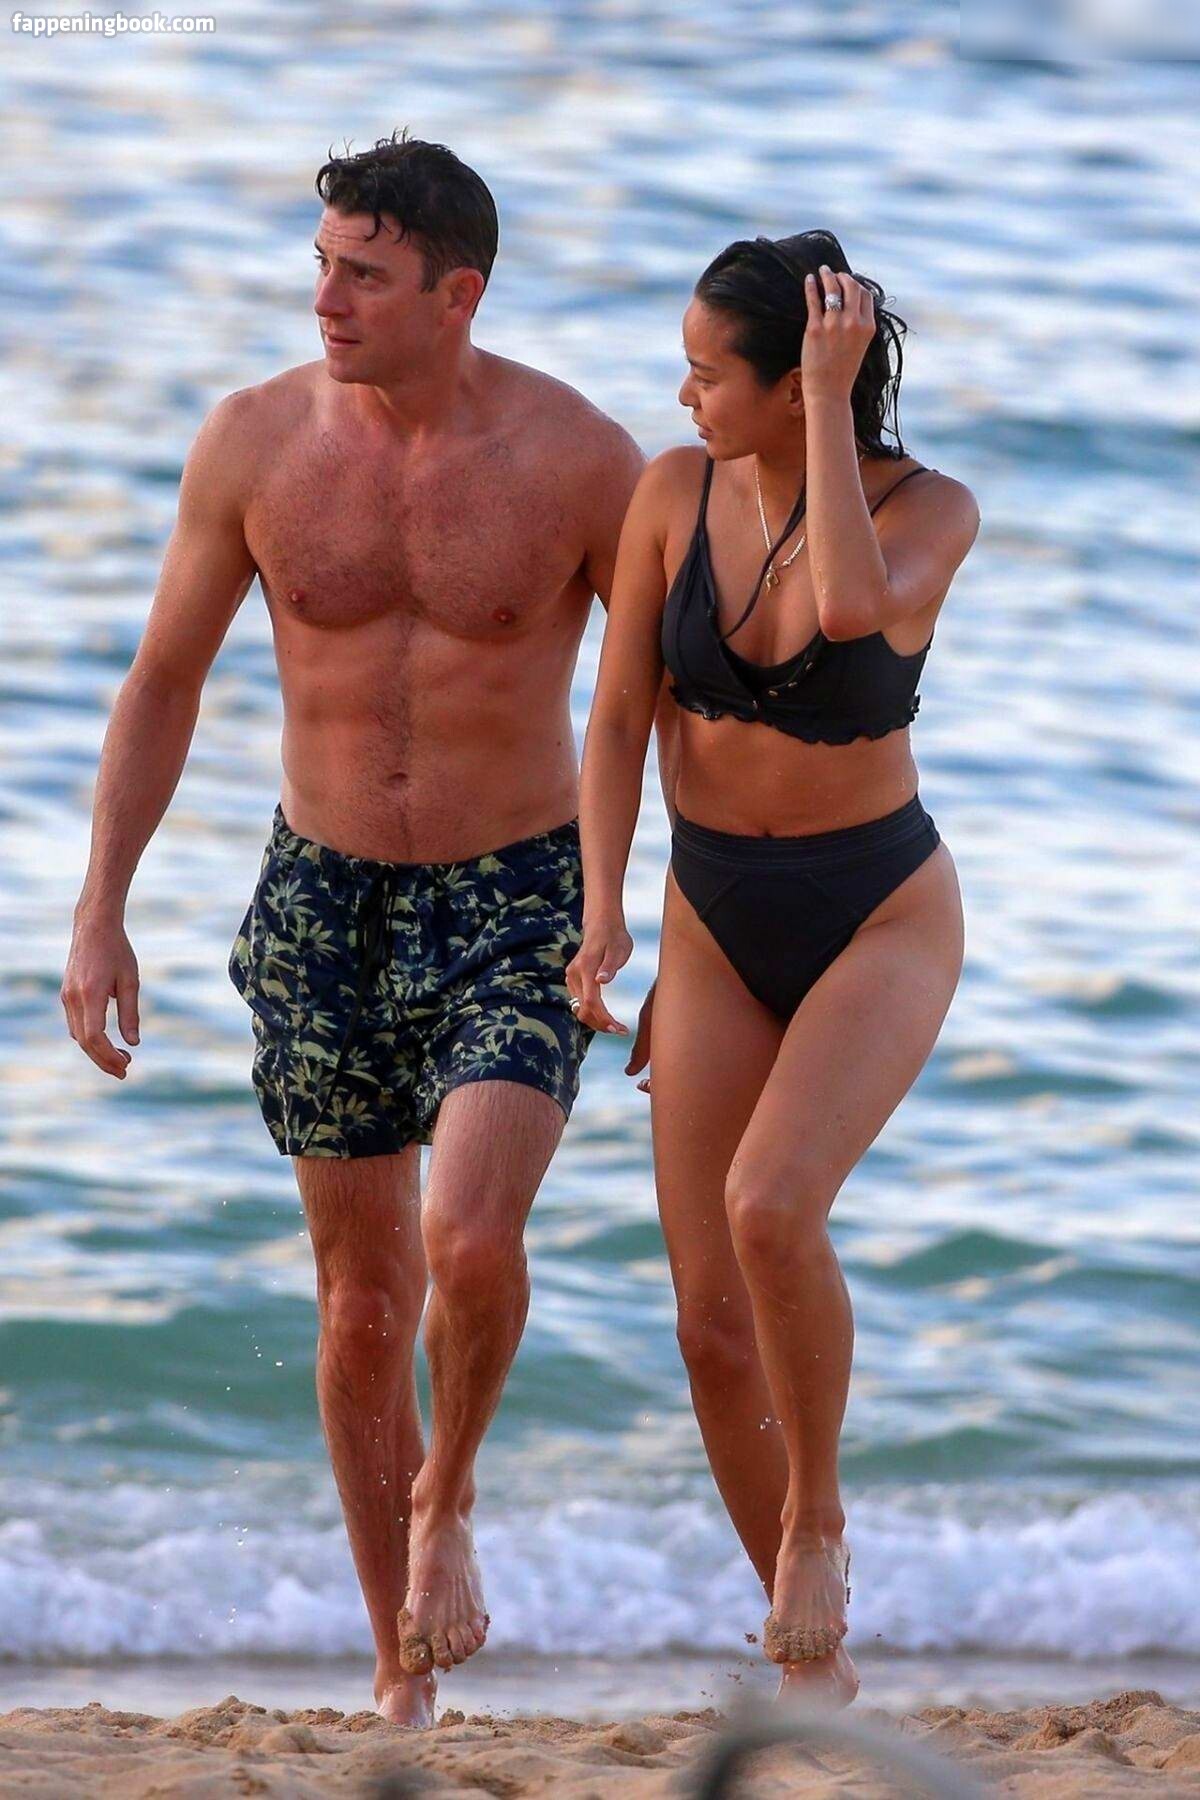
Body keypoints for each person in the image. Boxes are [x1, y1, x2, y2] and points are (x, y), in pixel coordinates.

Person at [60, 130, 649, 1727]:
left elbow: (658, 704)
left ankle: (447, 1495)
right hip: (322, 898)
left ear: (460, 294)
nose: (325, 298)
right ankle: (398, 1665)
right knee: (364, 1304)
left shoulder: (582, 460)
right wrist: (101, 910)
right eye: (322, 265)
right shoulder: (254, 441)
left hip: (516, 898)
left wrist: (642, 913)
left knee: (470, 1241)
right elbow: (164, 680)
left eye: (365, 276)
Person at [566, 230, 979, 1709]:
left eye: (706, 373)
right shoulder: (670, 494)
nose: (684, 397)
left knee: (770, 1207)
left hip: (879, 909)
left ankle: (817, 1524)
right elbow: (620, 717)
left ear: (798, 375)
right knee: (704, 1315)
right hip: (713, 915)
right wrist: (604, 911)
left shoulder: (930, 509)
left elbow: (853, 613)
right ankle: (815, 1668)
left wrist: (823, 404)